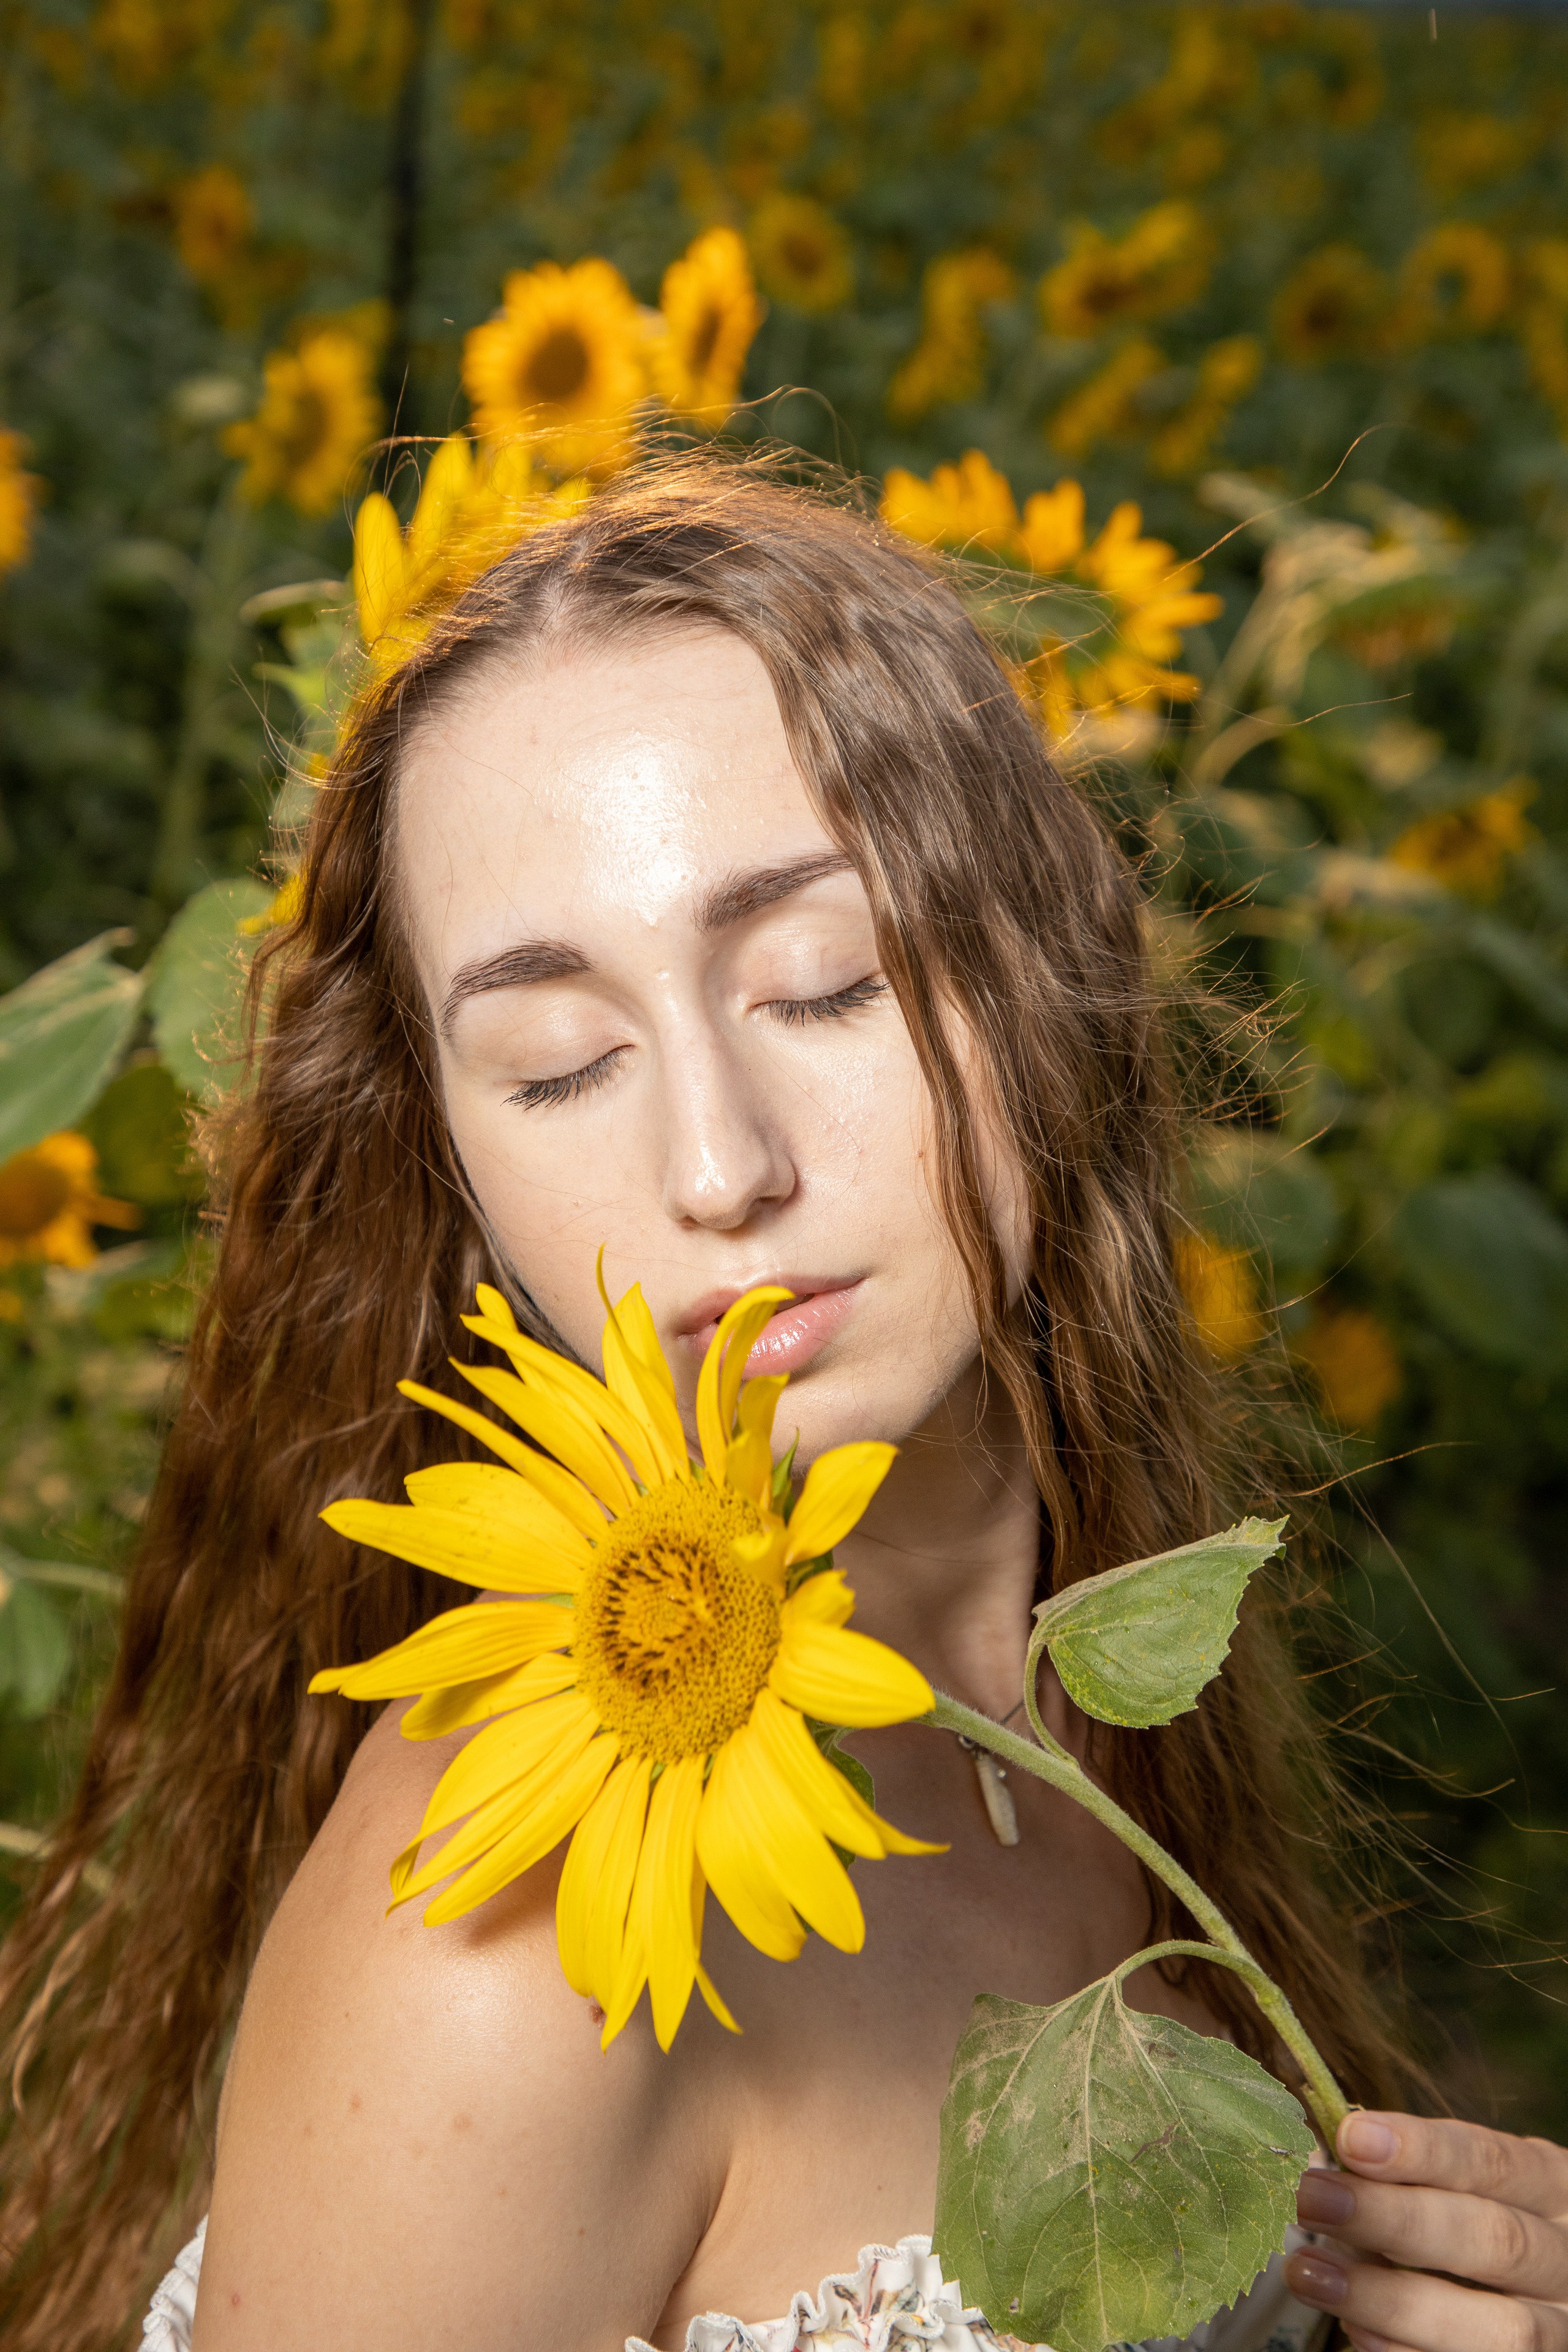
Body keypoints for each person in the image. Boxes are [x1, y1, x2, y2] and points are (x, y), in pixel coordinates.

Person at [2, 456, 1564, 2352]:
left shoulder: (1101, 1676)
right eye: (561, 1065)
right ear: (457, 1173)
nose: (719, 1169)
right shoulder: (506, 1950)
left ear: (1046, 982)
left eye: (824, 987)